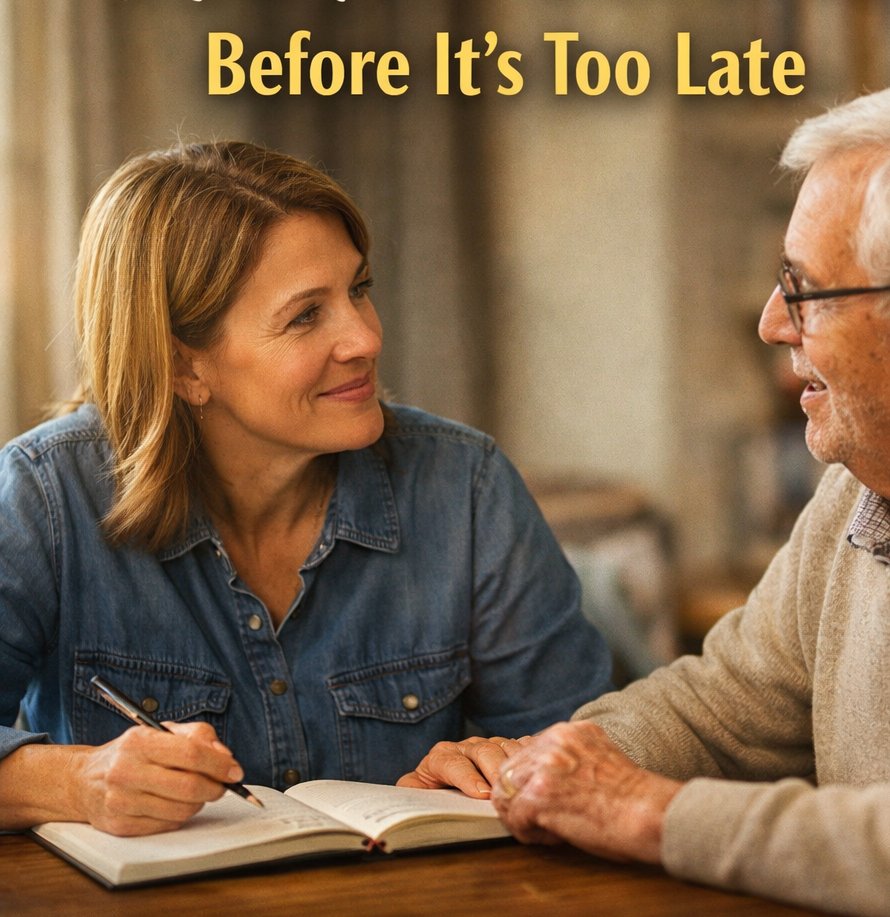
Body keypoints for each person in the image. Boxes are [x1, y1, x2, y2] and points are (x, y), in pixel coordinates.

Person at [407, 74, 890, 917]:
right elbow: (731, 696)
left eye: (805, 288)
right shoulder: (861, 485)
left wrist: (647, 812)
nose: (768, 320)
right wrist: (553, 763)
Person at [0, 140, 610, 836]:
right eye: (305, 315)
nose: (365, 338)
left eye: (359, 290)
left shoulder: (466, 484)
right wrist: (76, 783)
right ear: (182, 365)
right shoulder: (43, 498)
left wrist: (505, 760)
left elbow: (589, 747)